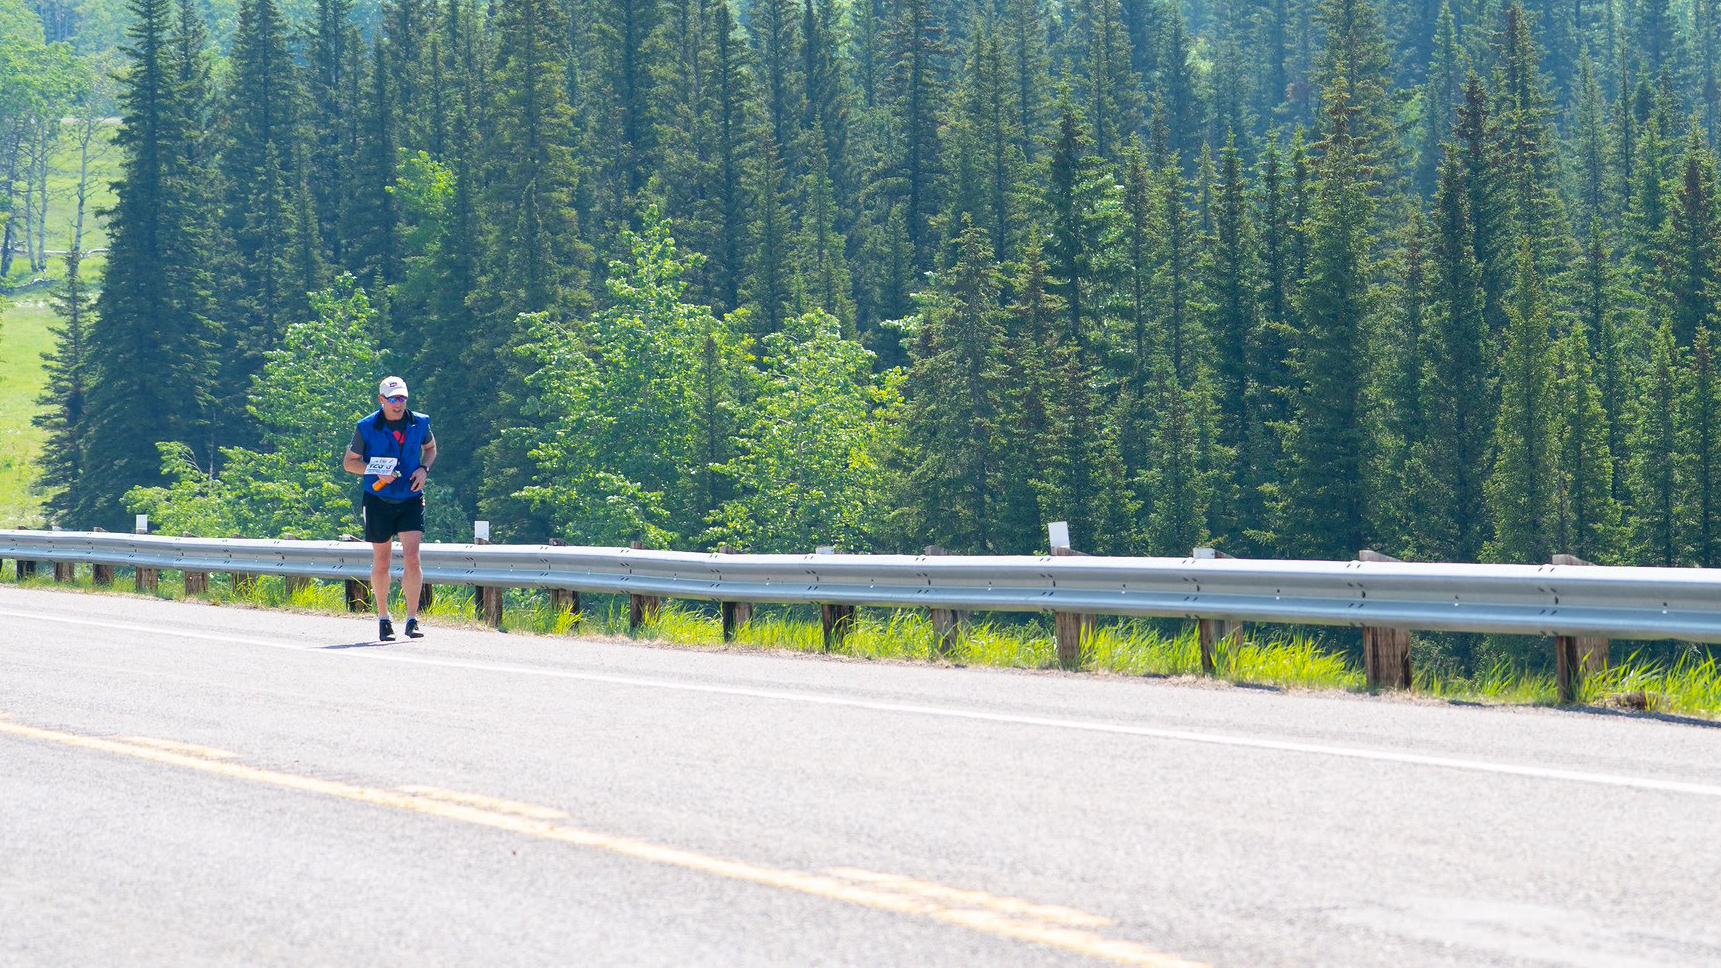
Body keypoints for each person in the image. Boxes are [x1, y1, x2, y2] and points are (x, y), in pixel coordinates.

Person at [342, 376, 436, 641]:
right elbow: (350, 463)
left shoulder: (420, 422)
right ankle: (384, 618)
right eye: (393, 399)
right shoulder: (366, 426)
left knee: (412, 558)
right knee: (382, 561)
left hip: (410, 496)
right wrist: (375, 470)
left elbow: (429, 448)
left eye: (402, 398)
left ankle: (412, 619)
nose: (398, 404)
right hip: (378, 498)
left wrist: (424, 469)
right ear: (381, 399)